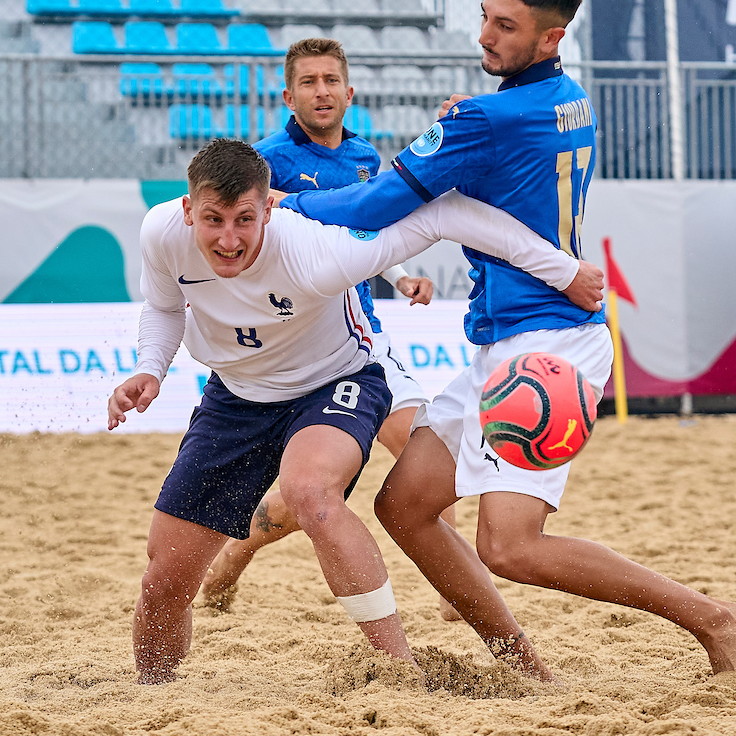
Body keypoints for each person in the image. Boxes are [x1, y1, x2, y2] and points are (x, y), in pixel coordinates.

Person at [283, 0, 736, 681]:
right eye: (485, 15)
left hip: (547, 350)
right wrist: (467, 135)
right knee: (405, 508)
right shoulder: (571, 98)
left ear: (551, 37)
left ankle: (718, 620)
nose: (485, 35)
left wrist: (286, 207)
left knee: (511, 546)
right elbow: (490, 176)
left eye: (505, 26)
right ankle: (521, 667)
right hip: (511, 338)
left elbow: (378, 206)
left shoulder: (485, 117)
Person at [107, 137, 602, 684]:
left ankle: (398, 669)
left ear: (270, 208)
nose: (228, 239)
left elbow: (444, 212)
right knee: (165, 580)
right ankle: (153, 694)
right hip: (235, 395)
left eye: (244, 219)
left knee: (310, 492)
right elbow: (162, 307)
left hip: (337, 379)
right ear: (187, 211)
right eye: (213, 220)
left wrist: (561, 271)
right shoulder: (161, 233)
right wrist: (150, 369)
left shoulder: (316, 252)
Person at [197, 38, 462, 621]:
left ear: (350, 92)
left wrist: (401, 275)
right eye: (309, 82)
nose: (321, 91)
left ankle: (452, 584)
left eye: (330, 81)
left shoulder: (367, 157)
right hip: (299, 341)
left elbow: (363, 231)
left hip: (364, 333)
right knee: (310, 495)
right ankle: (236, 556)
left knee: (420, 452)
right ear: (289, 96)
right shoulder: (262, 161)